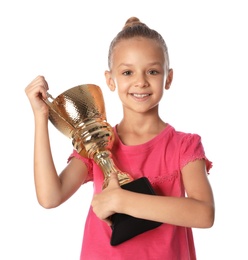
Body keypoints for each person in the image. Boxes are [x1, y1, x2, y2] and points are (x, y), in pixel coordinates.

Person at [25, 17, 215, 260]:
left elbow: (203, 214)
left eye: (153, 71)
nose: (141, 82)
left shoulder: (184, 146)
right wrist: (41, 118)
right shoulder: (98, 142)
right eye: (127, 72)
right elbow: (51, 197)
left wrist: (121, 200)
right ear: (110, 79)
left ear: (168, 77)